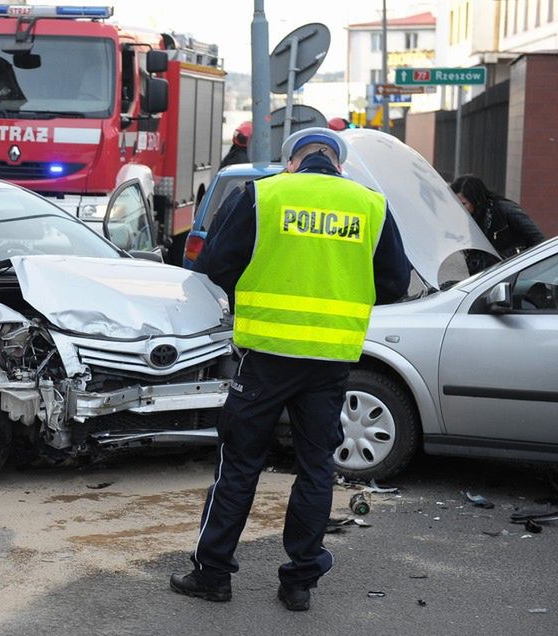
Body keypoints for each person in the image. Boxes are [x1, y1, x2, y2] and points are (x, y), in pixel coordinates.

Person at [175, 127, 411, 611]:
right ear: (338, 164)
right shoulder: (370, 205)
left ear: (292, 162)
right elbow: (394, 282)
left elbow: (215, 263)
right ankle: (299, 582)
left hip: (264, 356)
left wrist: (254, 294)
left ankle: (214, 574)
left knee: (239, 462)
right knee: (315, 467)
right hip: (330, 361)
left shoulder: (262, 194)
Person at [450, 174, 545, 258]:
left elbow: (538, 240)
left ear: (476, 200)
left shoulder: (506, 210)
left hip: (515, 268)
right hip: (489, 272)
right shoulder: (470, 217)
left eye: (463, 203)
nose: (459, 207)